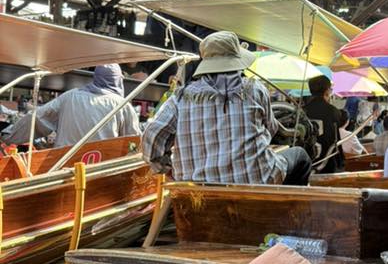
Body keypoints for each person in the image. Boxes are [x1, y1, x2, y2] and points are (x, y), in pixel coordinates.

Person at [142, 31, 311, 185]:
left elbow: (151, 136)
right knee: (300, 156)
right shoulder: (255, 89)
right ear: (237, 60)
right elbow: (271, 129)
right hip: (256, 182)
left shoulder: (180, 98)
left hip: (195, 190)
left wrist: (166, 168)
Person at [2, 64, 140, 148]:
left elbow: (37, 118)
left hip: (64, 163)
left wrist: (7, 135)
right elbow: (134, 141)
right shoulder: (122, 105)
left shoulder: (70, 96)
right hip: (102, 166)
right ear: (118, 80)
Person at [304, 74, 343, 174]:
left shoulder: (303, 110)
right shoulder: (333, 111)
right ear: (327, 90)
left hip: (306, 160)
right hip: (328, 160)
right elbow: (336, 137)